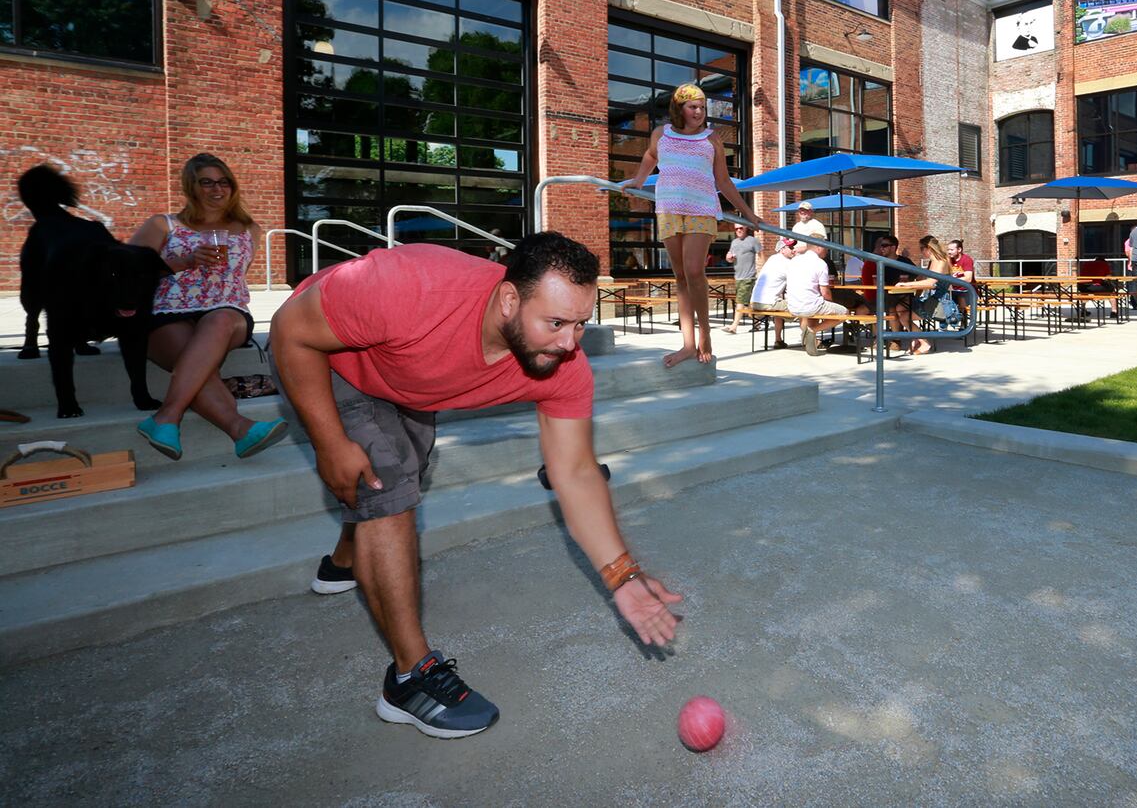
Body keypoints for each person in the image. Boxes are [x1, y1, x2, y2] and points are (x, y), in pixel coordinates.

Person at [270, 233, 682, 739]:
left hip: (402, 375)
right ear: (510, 299)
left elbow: (574, 472)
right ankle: (410, 678)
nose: (569, 343)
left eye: (580, 324)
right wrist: (329, 438)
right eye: (555, 323)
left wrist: (622, 575)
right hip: (326, 354)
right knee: (388, 485)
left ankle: (342, 563)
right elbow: (291, 331)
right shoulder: (412, 288)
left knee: (398, 476)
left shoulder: (562, 366)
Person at [128, 154, 288, 462]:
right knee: (196, 361)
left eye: (224, 182)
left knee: (220, 320)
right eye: (207, 183)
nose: (217, 189)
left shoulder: (248, 230)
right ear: (192, 187)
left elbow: (234, 281)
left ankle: (166, 415)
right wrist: (183, 262)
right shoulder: (164, 224)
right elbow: (125, 270)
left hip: (228, 313)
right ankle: (240, 429)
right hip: (167, 313)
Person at [623, 83, 759, 368]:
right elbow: (650, 155)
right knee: (681, 276)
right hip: (669, 208)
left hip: (701, 209)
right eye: (692, 107)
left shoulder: (712, 140)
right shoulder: (661, 134)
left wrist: (748, 212)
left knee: (695, 271)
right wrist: (638, 180)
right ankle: (687, 344)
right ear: (679, 108)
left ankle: (705, 335)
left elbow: (723, 181)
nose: (698, 112)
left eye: (702, 108)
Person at [784, 239, 848, 356]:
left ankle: (811, 344)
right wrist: (831, 305)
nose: (827, 251)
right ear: (819, 247)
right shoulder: (820, 263)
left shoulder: (794, 261)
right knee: (845, 312)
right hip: (810, 305)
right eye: (826, 248)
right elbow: (825, 293)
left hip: (792, 305)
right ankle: (812, 331)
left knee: (814, 310)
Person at [898, 236, 959, 355]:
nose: (921, 252)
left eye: (921, 248)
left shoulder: (941, 261)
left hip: (937, 303)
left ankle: (924, 343)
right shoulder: (933, 261)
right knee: (899, 307)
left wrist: (906, 285)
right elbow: (923, 279)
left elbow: (931, 282)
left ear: (928, 248)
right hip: (929, 298)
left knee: (904, 317)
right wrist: (915, 296)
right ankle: (915, 338)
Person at [857, 234, 915, 346]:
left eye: (884, 245)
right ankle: (878, 338)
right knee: (861, 310)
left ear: (893, 247)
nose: (881, 248)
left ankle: (895, 340)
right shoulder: (879, 262)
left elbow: (920, 276)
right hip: (884, 296)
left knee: (892, 308)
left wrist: (915, 292)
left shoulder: (904, 261)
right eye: (880, 246)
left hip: (901, 297)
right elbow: (875, 282)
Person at [750, 237, 797, 347]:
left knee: (778, 307)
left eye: (793, 247)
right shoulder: (787, 263)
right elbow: (795, 284)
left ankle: (778, 340)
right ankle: (808, 340)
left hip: (755, 301)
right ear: (782, 250)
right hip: (768, 302)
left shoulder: (772, 259)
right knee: (803, 307)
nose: (793, 249)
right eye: (790, 247)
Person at [721, 224, 761, 334]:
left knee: (740, 301)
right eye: (736, 229)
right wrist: (728, 258)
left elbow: (761, 255)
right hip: (738, 276)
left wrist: (761, 270)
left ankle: (734, 326)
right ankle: (757, 323)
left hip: (749, 276)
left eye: (741, 228)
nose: (738, 230)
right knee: (747, 303)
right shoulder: (734, 242)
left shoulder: (753, 241)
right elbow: (730, 258)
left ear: (746, 228)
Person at [789, 201, 830, 271]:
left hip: (812, 261)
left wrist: (803, 248)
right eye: (801, 210)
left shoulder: (817, 225)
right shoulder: (796, 226)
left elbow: (822, 245)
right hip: (797, 260)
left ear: (811, 212)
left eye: (805, 210)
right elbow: (791, 243)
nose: (802, 212)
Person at [947, 239, 976, 323]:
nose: (949, 252)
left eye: (951, 250)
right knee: (941, 296)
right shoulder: (949, 260)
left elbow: (968, 278)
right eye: (948, 250)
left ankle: (963, 321)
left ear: (959, 250)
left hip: (967, 290)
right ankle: (944, 324)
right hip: (953, 290)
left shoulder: (966, 260)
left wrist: (951, 280)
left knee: (960, 295)